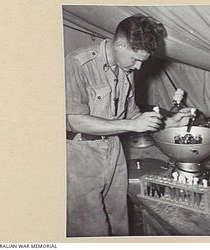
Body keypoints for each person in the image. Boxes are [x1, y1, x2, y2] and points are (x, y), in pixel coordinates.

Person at [65, 14, 191, 237]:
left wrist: (168, 121)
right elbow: (75, 120)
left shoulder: (126, 70)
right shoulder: (78, 63)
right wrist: (132, 125)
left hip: (114, 149)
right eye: (135, 58)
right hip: (80, 156)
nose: (139, 67)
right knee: (90, 228)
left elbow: (133, 114)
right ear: (120, 44)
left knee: (120, 221)